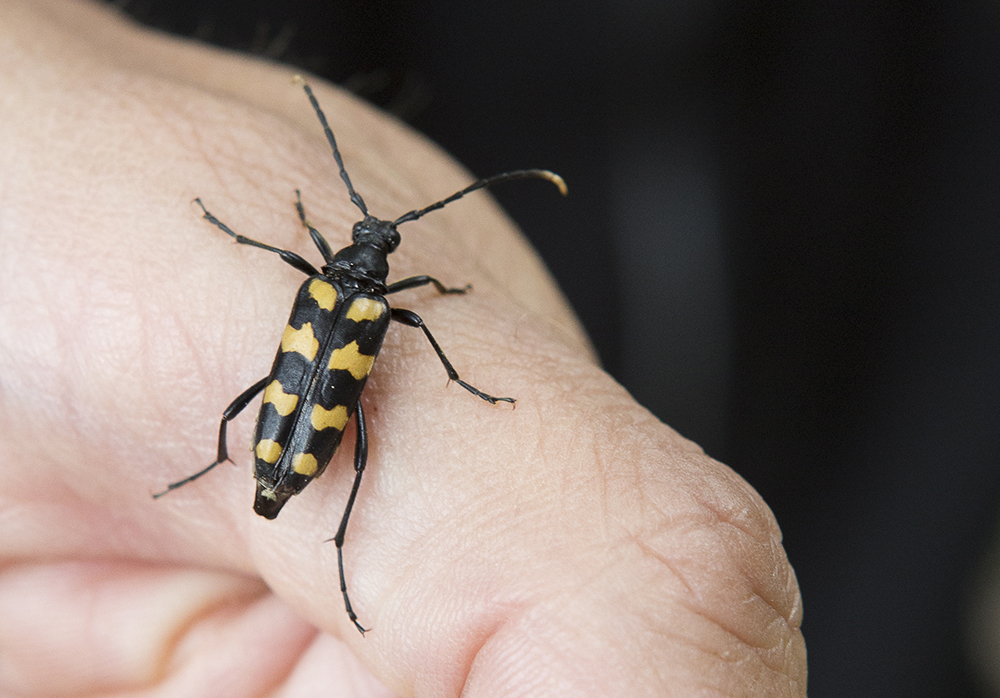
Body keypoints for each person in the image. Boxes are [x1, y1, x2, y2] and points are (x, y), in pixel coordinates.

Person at [0, 1, 805, 695]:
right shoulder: (376, 308)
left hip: (289, 432)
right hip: (294, 438)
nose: (371, 239)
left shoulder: (324, 287)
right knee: (355, 441)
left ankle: (281, 504)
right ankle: (239, 473)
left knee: (316, 424)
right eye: (370, 238)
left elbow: (307, 255)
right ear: (371, 257)